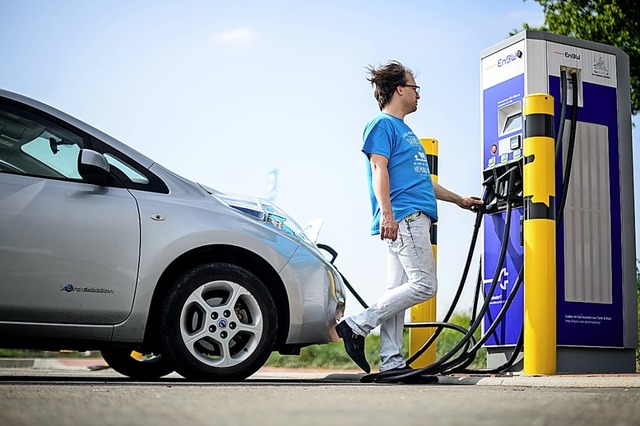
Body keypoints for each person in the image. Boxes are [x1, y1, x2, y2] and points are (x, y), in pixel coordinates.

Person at [336, 61, 483, 374]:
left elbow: (422, 181)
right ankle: (357, 325)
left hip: (411, 215)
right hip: (405, 216)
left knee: (396, 291)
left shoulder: (407, 132)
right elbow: (379, 168)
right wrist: (387, 214)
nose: (419, 95)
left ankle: (391, 362)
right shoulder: (382, 124)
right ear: (400, 89)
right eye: (415, 88)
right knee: (425, 284)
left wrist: (458, 200)